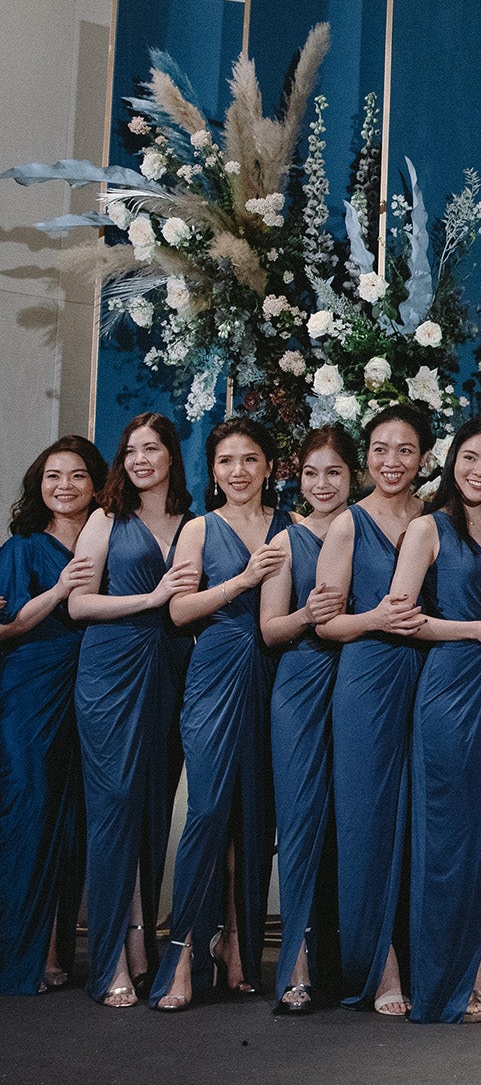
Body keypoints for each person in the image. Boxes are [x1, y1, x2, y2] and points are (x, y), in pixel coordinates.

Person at [151, 418, 287, 1010]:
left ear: (269, 467)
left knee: (255, 817)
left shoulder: (289, 526)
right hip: (215, 670)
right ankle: (182, 952)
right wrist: (241, 581)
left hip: (275, 673)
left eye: (250, 459)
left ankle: (239, 948)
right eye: (227, 461)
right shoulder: (200, 529)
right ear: (213, 471)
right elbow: (179, 612)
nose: (238, 471)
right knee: (208, 812)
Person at [397, 416, 481, 1023]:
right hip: (450, 687)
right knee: (448, 836)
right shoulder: (428, 527)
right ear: (452, 462)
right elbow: (404, 617)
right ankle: (458, 974)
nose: (480, 471)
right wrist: (476, 629)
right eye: (470, 458)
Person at [69, 413, 195, 1006]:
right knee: (115, 806)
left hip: (171, 670)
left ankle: (141, 940)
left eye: (153, 448)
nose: (141, 458)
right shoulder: (105, 518)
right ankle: (111, 954)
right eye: (132, 450)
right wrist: (152, 598)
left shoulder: (194, 523)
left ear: (173, 454)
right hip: (110, 670)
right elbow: (79, 605)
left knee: (150, 806)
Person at [318, 404, 433, 1014]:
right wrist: (376, 619)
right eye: (381, 449)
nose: (392, 462)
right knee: (367, 821)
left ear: (424, 458)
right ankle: (378, 967)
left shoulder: (435, 516)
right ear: (366, 455)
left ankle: (424, 959)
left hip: (429, 677)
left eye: (406, 450)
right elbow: (327, 622)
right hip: (366, 678)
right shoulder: (346, 524)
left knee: (420, 821)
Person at [258, 425, 359, 1015]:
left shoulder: (370, 528)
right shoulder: (284, 541)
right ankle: (294, 966)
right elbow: (270, 630)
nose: (321, 485)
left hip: (364, 684)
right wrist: (306, 614)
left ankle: (348, 963)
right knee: (298, 824)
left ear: (354, 477)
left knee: (352, 828)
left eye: (335, 473)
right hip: (299, 686)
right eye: (312, 473)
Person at [0, 436, 106, 995]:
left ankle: (50, 952)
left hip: (88, 690)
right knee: (28, 813)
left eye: (77, 476)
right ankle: (18, 957)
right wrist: (61, 589)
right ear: (39, 487)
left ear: (96, 484)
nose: (64, 486)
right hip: (28, 693)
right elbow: (8, 625)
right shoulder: (20, 550)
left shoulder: (107, 543)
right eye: (52, 477)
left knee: (71, 822)